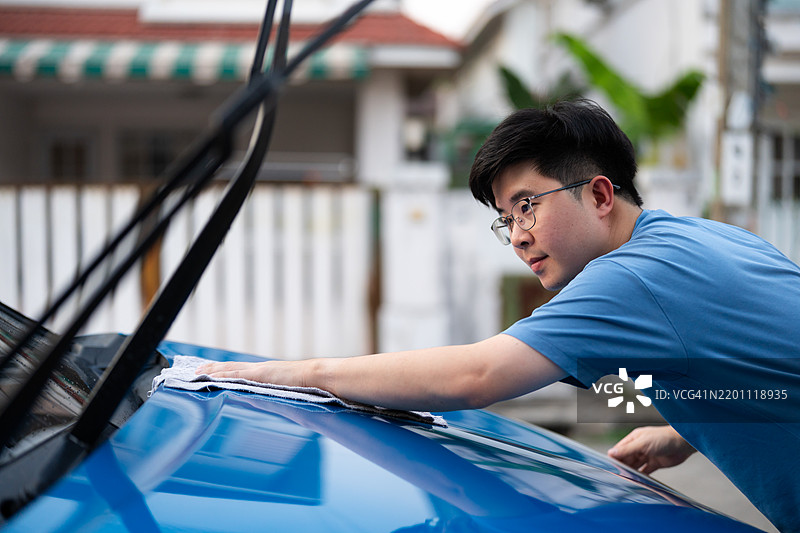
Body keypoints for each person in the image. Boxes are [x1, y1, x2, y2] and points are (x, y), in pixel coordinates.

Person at [199, 99, 800, 531]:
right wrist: (684, 431)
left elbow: (475, 376)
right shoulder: (705, 239)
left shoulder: (631, 279)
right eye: (505, 220)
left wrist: (296, 374)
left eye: (527, 206)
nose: (516, 236)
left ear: (598, 194)